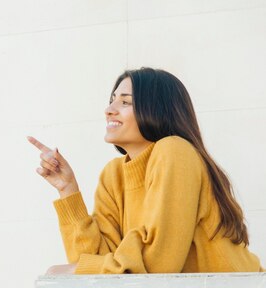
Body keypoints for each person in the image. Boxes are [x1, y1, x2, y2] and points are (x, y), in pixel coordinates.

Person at [28, 67, 264, 275]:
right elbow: (92, 267)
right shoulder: (113, 175)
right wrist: (68, 190)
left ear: (156, 109)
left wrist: (86, 268)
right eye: (112, 100)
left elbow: (159, 262)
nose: (109, 109)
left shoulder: (176, 151)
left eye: (125, 102)